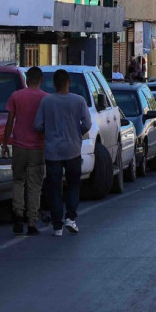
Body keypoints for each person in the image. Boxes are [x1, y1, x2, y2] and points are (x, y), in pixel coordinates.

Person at [34, 69, 92, 237]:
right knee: (74, 184)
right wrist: (76, 132)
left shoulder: (47, 101)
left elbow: (37, 125)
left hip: (52, 151)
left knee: (54, 188)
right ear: (69, 83)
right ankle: (71, 218)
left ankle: (57, 225)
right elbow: (87, 123)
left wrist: (49, 132)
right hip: (73, 149)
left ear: (54, 84)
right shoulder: (78, 100)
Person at [3, 67, 48, 236]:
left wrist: (6, 144)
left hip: (19, 146)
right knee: (35, 186)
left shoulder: (16, 96)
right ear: (41, 80)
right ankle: (31, 222)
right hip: (38, 148)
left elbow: (9, 122)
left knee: (18, 181)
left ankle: (18, 216)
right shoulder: (46, 99)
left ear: (27, 79)